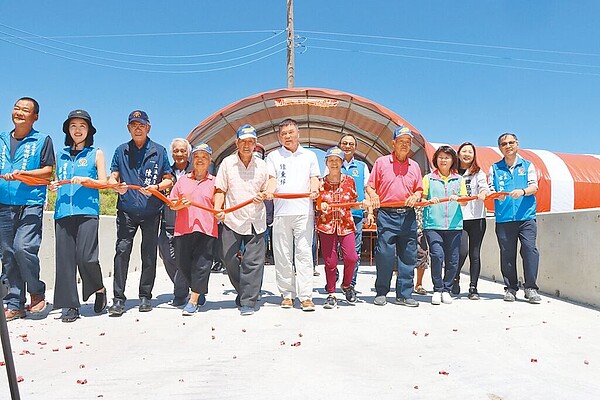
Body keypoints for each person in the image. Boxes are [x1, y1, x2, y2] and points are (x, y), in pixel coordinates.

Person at [107, 110, 172, 316]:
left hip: (152, 211)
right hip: (126, 210)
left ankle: (145, 296)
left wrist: (158, 187)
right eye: (134, 125)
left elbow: (169, 179)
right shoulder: (120, 150)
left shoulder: (159, 151)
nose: (137, 128)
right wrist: (115, 186)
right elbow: (113, 176)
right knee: (122, 251)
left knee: (149, 253)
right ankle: (118, 298)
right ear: (128, 128)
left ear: (148, 127)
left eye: (141, 125)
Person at [0, 97, 55, 321]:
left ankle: (36, 291)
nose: (19, 112)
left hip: (31, 202)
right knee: (8, 254)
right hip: (4, 203)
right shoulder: (2, 138)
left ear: (35, 117)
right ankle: (15, 303)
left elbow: (47, 171)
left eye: (25, 110)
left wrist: (24, 175)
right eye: (16, 108)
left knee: (23, 248)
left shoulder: (42, 140)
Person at [51, 110, 108, 322]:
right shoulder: (61, 154)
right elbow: (57, 180)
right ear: (68, 129)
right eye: (73, 126)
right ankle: (70, 305)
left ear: (89, 131)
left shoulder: (96, 153)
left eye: (82, 126)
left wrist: (86, 181)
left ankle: (99, 289)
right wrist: (53, 185)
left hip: (88, 212)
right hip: (63, 212)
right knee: (65, 260)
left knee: (86, 257)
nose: (77, 130)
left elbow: (104, 182)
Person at [265, 119, 320, 311]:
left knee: (304, 254)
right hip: (281, 212)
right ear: (279, 137)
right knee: (282, 255)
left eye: (290, 132)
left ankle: (306, 296)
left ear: (298, 133)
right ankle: (287, 294)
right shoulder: (273, 156)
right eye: (283, 134)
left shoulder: (309, 156)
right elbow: (272, 179)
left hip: (303, 212)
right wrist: (269, 192)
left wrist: (314, 190)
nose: (287, 136)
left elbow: (314, 178)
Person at [214, 124, 269, 316]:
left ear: (255, 144)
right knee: (228, 259)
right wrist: (217, 209)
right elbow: (220, 190)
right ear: (236, 143)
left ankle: (248, 301)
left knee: (253, 262)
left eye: (251, 142)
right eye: (243, 141)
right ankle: (244, 290)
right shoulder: (227, 164)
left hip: (256, 220)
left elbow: (269, 184)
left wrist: (265, 193)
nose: (247, 145)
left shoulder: (262, 165)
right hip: (232, 219)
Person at [366, 125, 422, 307]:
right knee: (385, 254)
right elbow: (370, 186)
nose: (405, 145)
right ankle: (382, 291)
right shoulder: (381, 163)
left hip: (408, 216)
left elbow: (419, 189)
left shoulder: (415, 166)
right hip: (387, 215)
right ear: (393, 143)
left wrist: (416, 196)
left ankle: (404, 294)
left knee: (408, 256)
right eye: (401, 141)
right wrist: (374, 196)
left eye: (408, 142)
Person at [488, 133, 541, 304]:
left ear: (517, 144)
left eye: (511, 142)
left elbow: (534, 187)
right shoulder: (494, 168)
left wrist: (523, 191)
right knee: (507, 254)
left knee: (529, 250)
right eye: (504, 144)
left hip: (526, 217)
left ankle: (531, 287)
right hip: (504, 219)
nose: (508, 146)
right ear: (500, 148)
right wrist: (496, 195)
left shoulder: (527, 165)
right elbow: (490, 190)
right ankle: (510, 288)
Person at [169, 143, 218, 315]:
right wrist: (179, 204)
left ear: (210, 161)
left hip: (206, 229)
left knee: (202, 265)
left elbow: (220, 204)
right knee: (183, 264)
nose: (200, 160)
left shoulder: (215, 182)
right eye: (197, 157)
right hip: (183, 229)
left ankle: (194, 299)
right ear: (192, 159)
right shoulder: (182, 181)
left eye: (204, 157)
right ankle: (199, 289)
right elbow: (171, 203)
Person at [317, 146, 366, 308]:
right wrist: (320, 205)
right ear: (326, 162)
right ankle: (331, 293)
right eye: (331, 160)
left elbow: (354, 202)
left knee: (351, 257)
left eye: (337, 160)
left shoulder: (349, 181)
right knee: (330, 262)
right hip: (327, 225)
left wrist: (364, 205)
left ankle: (346, 285)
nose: (334, 163)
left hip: (346, 224)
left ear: (342, 162)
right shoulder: (320, 183)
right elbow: (316, 203)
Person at [422, 145, 467, 305]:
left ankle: (447, 289)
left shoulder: (459, 179)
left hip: (454, 226)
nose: (443, 160)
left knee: (453, 259)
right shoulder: (428, 178)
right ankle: (437, 289)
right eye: (440, 157)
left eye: (447, 157)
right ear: (436, 159)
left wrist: (459, 199)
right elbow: (422, 200)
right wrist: (428, 201)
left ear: (452, 160)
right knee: (437, 256)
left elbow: (464, 202)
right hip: (433, 225)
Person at [158, 138, 192, 307]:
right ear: (172, 153)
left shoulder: (196, 172)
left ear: (188, 153)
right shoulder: (165, 173)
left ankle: (181, 293)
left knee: (183, 258)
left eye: (183, 151)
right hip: (169, 221)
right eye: (176, 151)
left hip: (188, 223)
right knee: (166, 254)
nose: (179, 154)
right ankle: (184, 286)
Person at [453, 142, 489, 299]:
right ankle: (455, 277)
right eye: (464, 151)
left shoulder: (478, 173)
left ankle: (473, 287)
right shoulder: (453, 173)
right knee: (461, 251)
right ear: (458, 154)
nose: (467, 154)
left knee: (475, 254)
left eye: (470, 152)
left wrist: (483, 192)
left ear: (474, 155)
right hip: (458, 218)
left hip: (476, 217)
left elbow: (484, 187)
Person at [338, 133, 373, 287]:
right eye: (344, 143)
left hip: (356, 215)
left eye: (351, 144)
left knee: (354, 252)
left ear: (355, 147)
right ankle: (335, 276)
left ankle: (350, 284)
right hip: (336, 216)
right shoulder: (333, 163)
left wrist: (370, 212)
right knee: (336, 250)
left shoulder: (362, 167)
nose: (347, 146)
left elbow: (368, 189)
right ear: (340, 146)